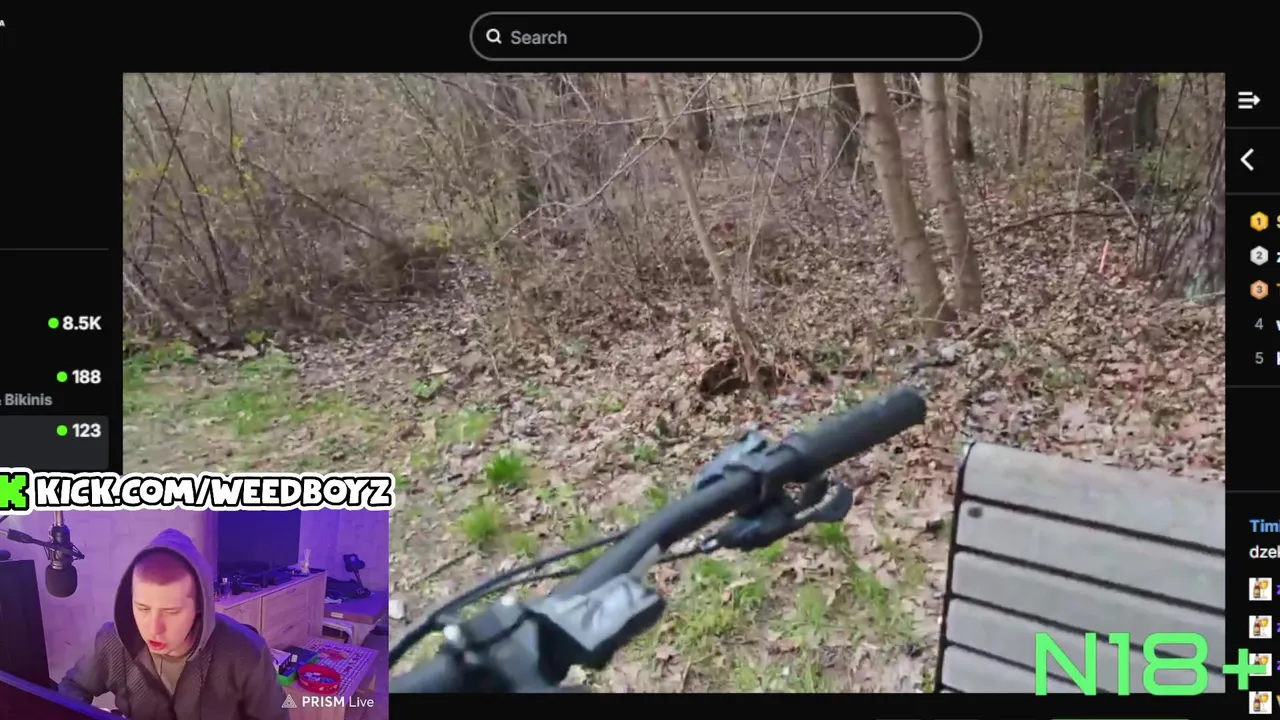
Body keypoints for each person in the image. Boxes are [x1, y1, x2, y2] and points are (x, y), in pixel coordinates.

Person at [58, 528, 289, 720]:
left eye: (171, 612)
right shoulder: (111, 642)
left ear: (199, 606)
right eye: (142, 608)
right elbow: (72, 687)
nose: (153, 628)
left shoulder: (247, 652)